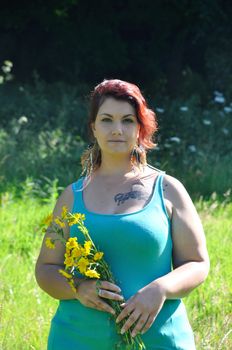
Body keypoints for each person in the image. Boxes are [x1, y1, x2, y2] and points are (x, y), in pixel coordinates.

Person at [35, 79, 210, 350]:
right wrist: (78, 287)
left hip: (159, 341)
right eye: (106, 120)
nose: (117, 130)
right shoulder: (72, 196)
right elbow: (46, 269)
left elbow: (197, 263)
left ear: (140, 128)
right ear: (93, 128)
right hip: (78, 339)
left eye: (127, 120)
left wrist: (160, 289)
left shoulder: (168, 189)